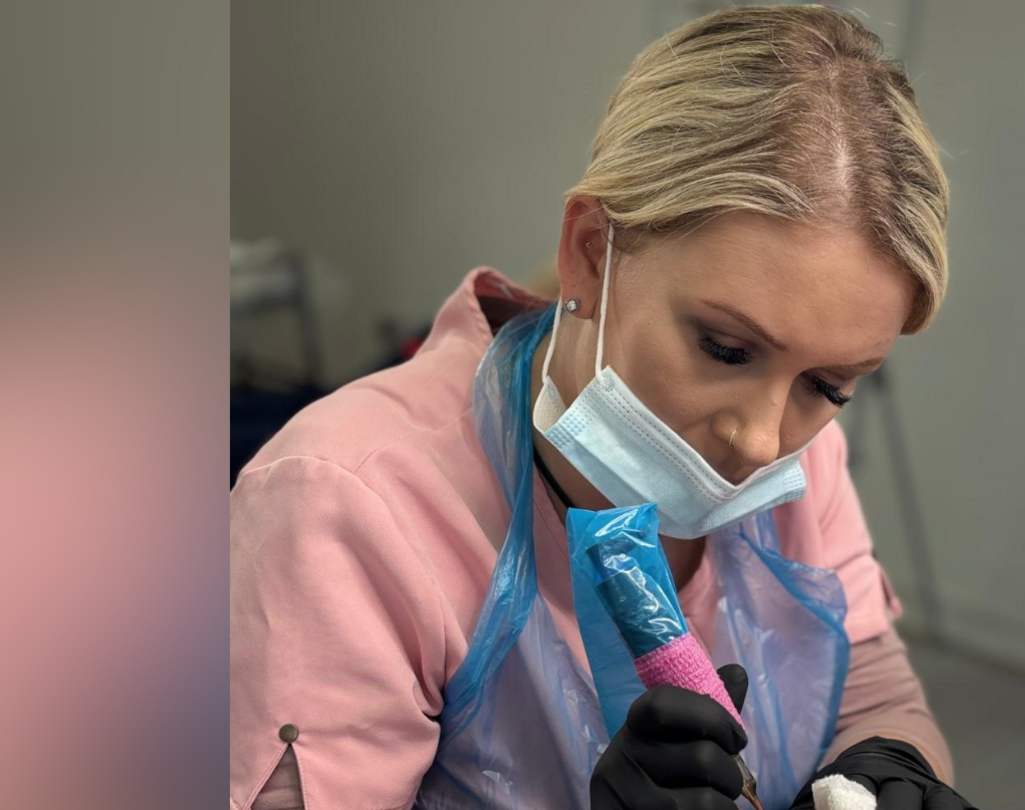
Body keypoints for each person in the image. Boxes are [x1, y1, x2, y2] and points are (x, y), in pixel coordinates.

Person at [230, 6, 975, 809]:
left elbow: (860, 675)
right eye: (725, 349)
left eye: (828, 387)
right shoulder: (347, 508)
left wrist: (889, 762)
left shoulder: (801, 460)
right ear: (590, 253)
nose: (762, 440)